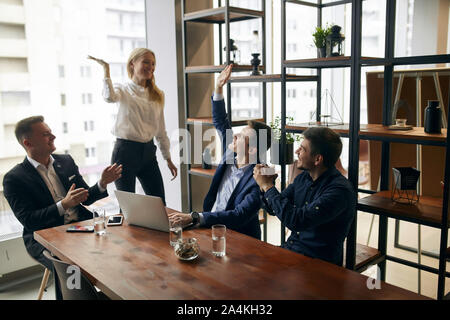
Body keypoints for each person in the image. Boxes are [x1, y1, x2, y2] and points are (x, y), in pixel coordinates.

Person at [3, 116, 122, 271]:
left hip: (80, 226)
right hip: (45, 236)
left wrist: (102, 183)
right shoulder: (14, 179)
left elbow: (85, 197)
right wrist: (64, 205)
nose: (53, 137)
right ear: (28, 143)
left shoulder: (65, 161)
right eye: (46, 134)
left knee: (119, 248)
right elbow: (29, 221)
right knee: (72, 269)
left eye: (50, 132)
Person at [168, 64, 272, 239]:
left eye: (242, 136)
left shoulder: (261, 177)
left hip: (239, 238)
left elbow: (239, 215)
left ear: (252, 149)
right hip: (210, 226)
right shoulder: (232, 152)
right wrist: (218, 87)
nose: (235, 135)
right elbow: (220, 121)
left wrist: (194, 217)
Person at [253, 127, 356, 265]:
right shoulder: (303, 178)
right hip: (292, 251)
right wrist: (265, 184)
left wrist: (268, 187)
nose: (296, 151)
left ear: (318, 159)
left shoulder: (339, 191)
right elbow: (273, 209)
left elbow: (297, 221)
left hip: (319, 264)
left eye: (302, 149)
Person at [88, 48, 177, 204]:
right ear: (132, 64)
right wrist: (106, 70)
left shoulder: (158, 94)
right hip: (125, 154)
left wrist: (168, 158)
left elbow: (160, 131)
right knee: (128, 208)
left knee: (159, 204)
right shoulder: (123, 89)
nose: (150, 67)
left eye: (153, 64)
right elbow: (109, 97)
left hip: (148, 153)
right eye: (146, 62)